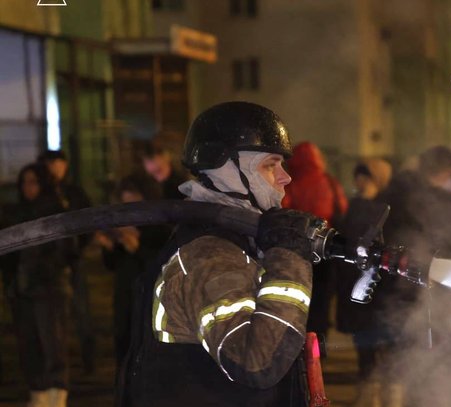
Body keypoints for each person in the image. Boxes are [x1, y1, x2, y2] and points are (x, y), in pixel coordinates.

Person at [120, 101, 317, 407]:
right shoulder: (210, 256)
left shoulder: (236, 242)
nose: (285, 177)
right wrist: (290, 259)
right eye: (270, 165)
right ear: (228, 171)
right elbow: (257, 363)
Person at [9, 163, 72, 407]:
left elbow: (66, 250)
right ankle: (39, 393)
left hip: (49, 288)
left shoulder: (54, 210)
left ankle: (55, 395)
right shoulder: (19, 212)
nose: (28, 188)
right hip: (23, 289)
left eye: (33, 182)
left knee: (52, 342)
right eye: (24, 182)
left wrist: (43, 267)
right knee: (30, 344)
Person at [333, 159, 392, 405]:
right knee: (367, 343)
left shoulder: (385, 209)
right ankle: (371, 394)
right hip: (360, 285)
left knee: (377, 344)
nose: (360, 182)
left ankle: (378, 394)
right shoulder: (356, 206)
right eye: (359, 177)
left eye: (365, 177)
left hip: (377, 288)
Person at [95, 175, 169, 370]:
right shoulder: (123, 228)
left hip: (150, 299)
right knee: (123, 343)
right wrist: (110, 247)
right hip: (125, 296)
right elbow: (112, 265)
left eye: (135, 203)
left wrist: (137, 249)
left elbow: (161, 265)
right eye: (126, 204)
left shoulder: (160, 230)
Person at [281, 142, 347, 356]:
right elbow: (342, 209)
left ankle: (300, 352)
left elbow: (282, 211)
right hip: (326, 251)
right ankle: (320, 352)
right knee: (322, 304)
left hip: (298, 252)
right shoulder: (330, 182)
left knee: (298, 303)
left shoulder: (289, 183)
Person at [37, 150, 96, 374]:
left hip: (74, 259)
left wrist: (79, 246)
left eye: (59, 163)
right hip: (50, 263)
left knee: (82, 310)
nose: (55, 168)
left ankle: (88, 359)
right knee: (52, 314)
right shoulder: (43, 193)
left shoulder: (74, 192)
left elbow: (89, 219)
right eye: (51, 164)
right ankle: (55, 362)